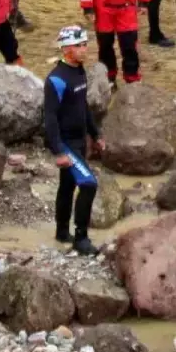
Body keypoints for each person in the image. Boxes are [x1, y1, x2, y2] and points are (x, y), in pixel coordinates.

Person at [44, 26, 103, 256]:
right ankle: (81, 238)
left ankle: (61, 232)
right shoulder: (56, 80)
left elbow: (83, 106)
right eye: (78, 45)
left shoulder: (79, 71)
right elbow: (49, 119)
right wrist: (59, 151)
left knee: (67, 186)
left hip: (80, 140)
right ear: (65, 48)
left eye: (85, 44)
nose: (83, 49)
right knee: (88, 184)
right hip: (66, 143)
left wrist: (96, 134)